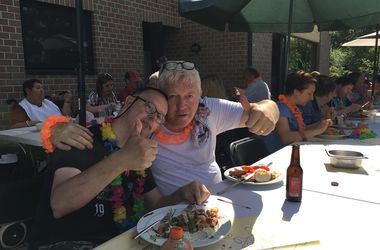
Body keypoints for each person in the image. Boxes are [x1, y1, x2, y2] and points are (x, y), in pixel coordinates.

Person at [43, 60, 279, 196]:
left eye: (190, 96)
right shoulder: (147, 121)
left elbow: (263, 109)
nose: (182, 106)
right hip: (167, 213)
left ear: (201, 96)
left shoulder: (211, 110)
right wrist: (53, 129)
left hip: (220, 200)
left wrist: (269, 110)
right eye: (173, 96)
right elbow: (108, 130)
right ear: (160, 95)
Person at [30, 87, 210, 249]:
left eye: (160, 116)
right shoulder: (82, 138)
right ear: (129, 102)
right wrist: (122, 160)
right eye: (149, 107)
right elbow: (60, 204)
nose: (153, 118)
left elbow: (156, 204)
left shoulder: (139, 152)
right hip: (63, 243)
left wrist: (183, 193)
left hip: (120, 243)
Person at [263, 72, 333, 153]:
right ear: (296, 92)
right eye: (309, 93)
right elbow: (286, 137)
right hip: (276, 156)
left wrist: (322, 123)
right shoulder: (281, 108)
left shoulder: (295, 108)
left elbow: (301, 130)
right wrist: (317, 131)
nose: (312, 98)